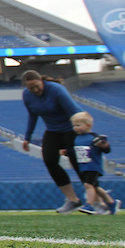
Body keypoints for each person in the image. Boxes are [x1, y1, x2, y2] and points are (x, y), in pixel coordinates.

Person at [20, 70, 85, 213]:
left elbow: (75, 111)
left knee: (77, 162)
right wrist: (27, 138)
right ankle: (73, 200)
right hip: (53, 130)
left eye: (37, 86)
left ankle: (96, 201)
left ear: (41, 81)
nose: (35, 90)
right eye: (31, 88)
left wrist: (85, 132)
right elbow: (32, 116)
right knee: (49, 160)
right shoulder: (27, 95)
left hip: (70, 128)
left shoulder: (56, 90)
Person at [66, 112, 121, 215]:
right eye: (74, 126)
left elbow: (106, 149)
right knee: (95, 187)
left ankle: (89, 205)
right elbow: (77, 151)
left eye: (78, 125)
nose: (75, 128)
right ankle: (111, 203)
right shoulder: (77, 138)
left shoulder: (94, 137)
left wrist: (104, 145)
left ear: (88, 125)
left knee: (88, 185)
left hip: (93, 166)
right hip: (83, 166)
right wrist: (67, 152)